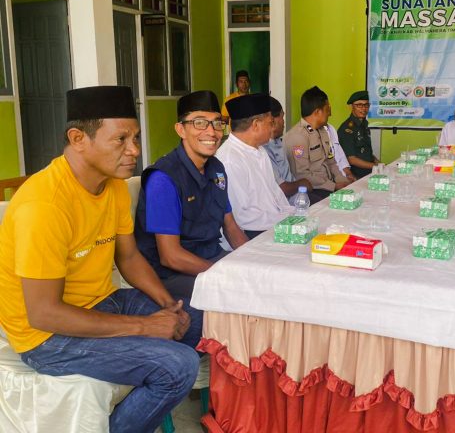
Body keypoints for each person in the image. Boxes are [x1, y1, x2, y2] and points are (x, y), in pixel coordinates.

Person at [0, 85, 203, 433]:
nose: (134, 150)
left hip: (102, 301)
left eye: (135, 138)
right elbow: (44, 313)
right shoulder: (44, 205)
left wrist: (168, 305)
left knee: (199, 320)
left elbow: (129, 257)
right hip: (45, 337)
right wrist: (145, 327)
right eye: (121, 139)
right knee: (179, 365)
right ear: (78, 138)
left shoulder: (113, 185)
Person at [134, 90, 248, 299]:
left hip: (211, 258)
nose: (211, 132)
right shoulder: (163, 178)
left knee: (263, 281)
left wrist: (254, 260)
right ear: (181, 130)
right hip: (173, 275)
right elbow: (171, 257)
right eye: (199, 123)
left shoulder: (216, 168)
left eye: (217, 123)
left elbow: (230, 226)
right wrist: (223, 273)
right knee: (240, 294)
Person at [216, 93, 295, 239]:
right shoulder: (229, 160)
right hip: (251, 234)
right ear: (256, 125)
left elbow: (276, 194)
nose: (273, 128)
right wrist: (283, 221)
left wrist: (292, 215)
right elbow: (242, 217)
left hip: (273, 224)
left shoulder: (260, 150)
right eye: (270, 123)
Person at [283, 86, 351, 203]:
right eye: (327, 109)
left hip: (330, 186)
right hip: (313, 191)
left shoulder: (323, 131)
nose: (330, 114)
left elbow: (331, 162)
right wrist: (333, 186)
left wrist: (343, 181)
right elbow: (301, 175)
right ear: (317, 112)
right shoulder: (297, 136)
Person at [263, 96, 313, 203]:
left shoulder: (278, 142)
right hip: (285, 205)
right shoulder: (264, 150)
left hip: (298, 199)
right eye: (282, 117)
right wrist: (302, 183)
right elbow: (282, 189)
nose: (283, 122)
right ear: (272, 120)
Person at [337, 90, 380, 179]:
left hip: (370, 172)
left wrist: (379, 163)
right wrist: (376, 166)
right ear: (351, 107)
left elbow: (367, 151)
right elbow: (351, 159)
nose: (363, 109)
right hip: (356, 176)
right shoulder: (347, 129)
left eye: (366, 105)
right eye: (359, 105)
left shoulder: (365, 124)